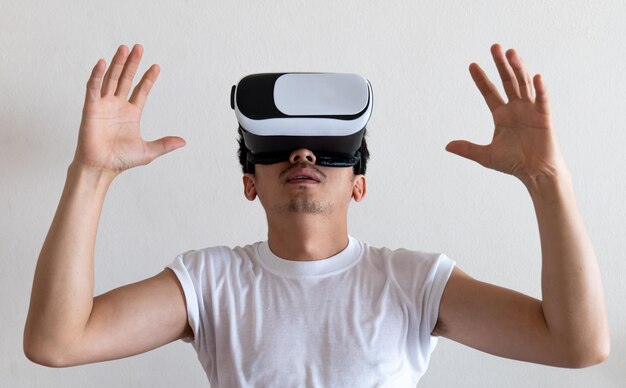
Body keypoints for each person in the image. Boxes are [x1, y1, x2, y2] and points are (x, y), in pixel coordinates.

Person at [24, 43, 610, 386]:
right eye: (277, 147)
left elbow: (577, 345)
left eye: (328, 148)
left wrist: (547, 181)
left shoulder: (413, 282)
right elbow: (57, 342)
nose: (303, 154)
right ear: (249, 183)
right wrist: (92, 174)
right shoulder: (208, 284)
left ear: (359, 184)